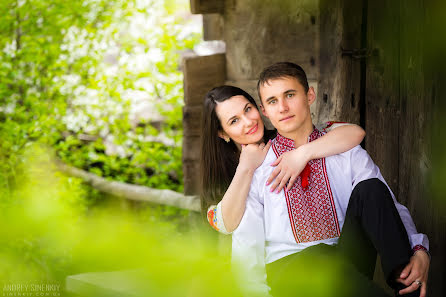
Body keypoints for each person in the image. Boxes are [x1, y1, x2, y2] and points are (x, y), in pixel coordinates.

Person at [231, 62, 430, 297]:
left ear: (310, 95)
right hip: (289, 269)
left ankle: (408, 284)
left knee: (372, 188)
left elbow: (387, 208)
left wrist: (419, 250)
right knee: (317, 255)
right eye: (273, 101)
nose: (283, 107)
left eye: (290, 95)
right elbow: (246, 242)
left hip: (344, 261)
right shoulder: (260, 166)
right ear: (265, 110)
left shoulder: (345, 149)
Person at [200, 85, 366, 235]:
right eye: (234, 121)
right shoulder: (223, 168)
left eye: (248, 109)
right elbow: (224, 225)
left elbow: (354, 132)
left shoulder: (286, 136)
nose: (249, 121)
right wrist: (245, 168)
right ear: (222, 133)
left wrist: (302, 153)